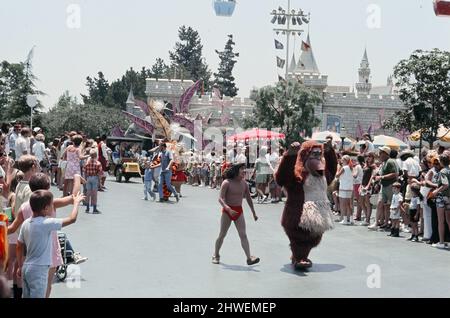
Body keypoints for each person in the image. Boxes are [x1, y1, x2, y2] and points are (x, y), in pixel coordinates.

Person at [275, 140, 337, 270]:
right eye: (313, 153)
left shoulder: (322, 173)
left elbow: (331, 171)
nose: (317, 157)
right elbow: (281, 178)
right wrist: (290, 156)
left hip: (319, 213)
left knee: (314, 238)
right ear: (305, 154)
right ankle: (299, 257)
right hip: (298, 213)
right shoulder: (298, 173)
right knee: (299, 237)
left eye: (319, 154)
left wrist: (329, 152)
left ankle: (299, 256)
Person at [16, 190, 84, 298]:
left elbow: (19, 245)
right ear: (46, 208)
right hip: (39, 269)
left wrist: (20, 266)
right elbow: (72, 219)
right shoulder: (46, 223)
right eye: (51, 204)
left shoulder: (26, 223)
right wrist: (76, 203)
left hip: (26, 267)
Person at [212, 163, 259, 265]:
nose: (244, 171)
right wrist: (227, 208)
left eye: (244, 169)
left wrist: (253, 213)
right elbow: (220, 198)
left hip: (238, 211)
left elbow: (249, 199)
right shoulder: (226, 182)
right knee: (222, 235)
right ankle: (216, 255)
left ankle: (249, 258)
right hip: (227, 212)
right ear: (236, 171)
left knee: (243, 235)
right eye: (242, 169)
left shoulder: (244, 183)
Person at [369, 147, 399, 230]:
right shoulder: (384, 163)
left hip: (390, 186)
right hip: (384, 186)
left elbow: (395, 174)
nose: (379, 154)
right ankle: (380, 222)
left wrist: (381, 177)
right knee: (382, 204)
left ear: (386, 153)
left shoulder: (390, 161)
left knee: (390, 205)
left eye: (381, 152)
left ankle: (392, 224)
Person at [336, 155, 354, 225]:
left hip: (344, 187)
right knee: (349, 204)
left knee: (344, 204)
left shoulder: (344, 167)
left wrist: (338, 169)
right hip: (349, 187)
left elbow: (337, 175)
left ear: (345, 161)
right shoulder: (350, 167)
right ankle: (351, 219)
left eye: (342, 160)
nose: (341, 161)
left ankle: (345, 220)